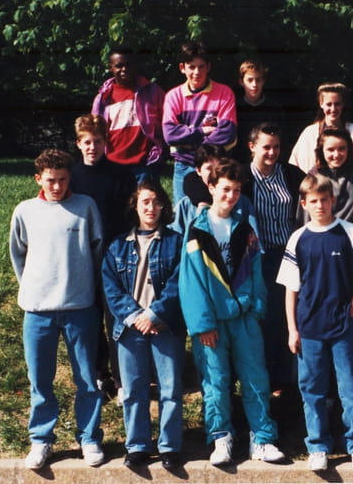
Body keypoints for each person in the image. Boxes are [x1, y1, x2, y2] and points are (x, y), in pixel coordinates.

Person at [178, 159, 285, 466]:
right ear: (211, 188)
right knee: (215, 381)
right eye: (225, 189)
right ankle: (221, 437)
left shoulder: (245, 227)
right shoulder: (197, 230)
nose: (231, 196)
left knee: (255, 378)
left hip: (244, 316)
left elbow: (255, 270)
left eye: (237, 190)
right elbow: (190, 280)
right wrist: (202, 324)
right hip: (212, 321)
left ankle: (261, 438)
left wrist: (257, 309)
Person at [9, 149, 105, 470]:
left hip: (80, 308)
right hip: (38, 310)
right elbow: (18, 254)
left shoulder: (86, 206)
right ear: (38, 179)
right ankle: (41, 439)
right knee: (40, 379)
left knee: (87, 379)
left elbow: (97, 250)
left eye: (62, 180)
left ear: (70, 178)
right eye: (50, 180)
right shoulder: (25, 211)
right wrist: (34, 286)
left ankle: (89, 438)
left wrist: (84, 285)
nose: (57, 186)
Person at [277, 173, 353, 472]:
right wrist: (292, 329)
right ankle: (318, 446)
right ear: (304, 204)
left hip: (343, 327)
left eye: (324, 200)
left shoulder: (349, 232)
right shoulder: (298, 238)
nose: (319, 206)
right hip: (309, 328)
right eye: (313, 201)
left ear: (333, 200)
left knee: (352, 390)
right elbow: (291, 289)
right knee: (312, 390)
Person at [102, 180, 185, 471]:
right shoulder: (117, 246)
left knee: (170, 388)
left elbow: (178, 283)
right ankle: (137, 445)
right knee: (134, 389)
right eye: (145, 202)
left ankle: (170, 446)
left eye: (156, 202)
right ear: (135, 206)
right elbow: (111, 289)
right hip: (130, 328)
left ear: (163, 206)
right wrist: (137, 316)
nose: (151, 207)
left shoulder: (176, 242)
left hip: (165, 326)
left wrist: (155, 314)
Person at [71, 114, 136, 402]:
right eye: (87, 142)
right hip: (82, 256)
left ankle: (123, 377)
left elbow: (131, 217)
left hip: (115, 256)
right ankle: (99, 372)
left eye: (97, 141)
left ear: (105, 142)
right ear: (78, 143)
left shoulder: (121, 175)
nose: (92, 147)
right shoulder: (71, 177)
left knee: (117, 318)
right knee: (90, 315)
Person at [241, 123, 305, 396]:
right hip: (259, 257)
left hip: (289, 255)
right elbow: (200, 180)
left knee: (287, 315)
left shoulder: (290, 174)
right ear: (252, 147)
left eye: (276, 147)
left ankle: (287, 379)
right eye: (266, 147)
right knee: (265, 318)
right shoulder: (243, 177)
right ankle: (264, 378)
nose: (272, 152)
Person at [310, 128, 353, 359]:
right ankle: (331, 377)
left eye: (342, 149)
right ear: (321, 151)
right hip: (327, 257)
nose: (336, 154)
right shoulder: (315, 178)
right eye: (330, 149)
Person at [163, 41, 237, 206]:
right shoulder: (173, 96)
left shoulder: (224, 93)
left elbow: (227, 133)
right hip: (184, 165)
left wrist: (189, 142)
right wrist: (202, 131)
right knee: (183, 214)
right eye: (191, 67)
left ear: (208, 67)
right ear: (182, 68)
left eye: (201, 66)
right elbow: (170, 135)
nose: (197, 72)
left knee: (219, 212)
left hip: (217, 166)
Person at [91, 46, 166, 183]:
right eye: (119, 66)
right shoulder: (103, 98)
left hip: (144, 165)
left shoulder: (153, 92)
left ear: (135, 65)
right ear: (110, 68)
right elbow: (94, 131)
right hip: (112, 165)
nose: (124, 69)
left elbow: (165, 124)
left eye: (128, 64)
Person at [288, 82, 353, 172]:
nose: (333, 109)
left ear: (343, 104)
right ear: (321, 104)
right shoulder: (309, 133)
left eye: (337, 104)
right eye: (329, 104)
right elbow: (295, 168)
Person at [232, 59, 287, 163]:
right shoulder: (235, 108)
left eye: (258, 80)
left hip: (269, 162)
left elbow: (282, 140)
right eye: (250, 80)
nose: (254, 84)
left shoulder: (274, 109)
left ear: (263, 81)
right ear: (241, 81)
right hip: (241, 162)